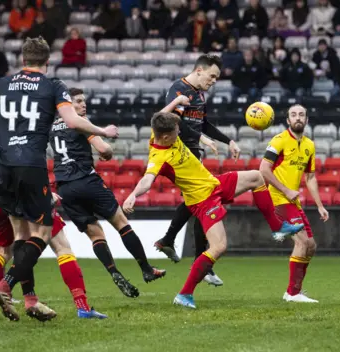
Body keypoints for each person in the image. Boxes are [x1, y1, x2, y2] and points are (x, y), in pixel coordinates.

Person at [0, 36, 118, 322]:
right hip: (31, 165)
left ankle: (28, 298)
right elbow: (72, 122)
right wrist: (103, 131)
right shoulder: (53, 85)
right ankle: (8, 285)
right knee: (45, 235)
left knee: (20, 236)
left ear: (22, 59)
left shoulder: (1, 85)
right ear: (47, 61)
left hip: (2, 169)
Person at [123, 112, 304, 309]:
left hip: (213, 183)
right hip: (202, 200)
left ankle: (278, 228)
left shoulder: (160, 131)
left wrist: (177, 104)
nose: (180, 133)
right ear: (165, 137)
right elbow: (147, 180)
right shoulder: (159, 157)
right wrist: (133, 195)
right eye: (177, 132)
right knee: (219, 247)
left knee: (257, 177)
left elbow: (161, 116)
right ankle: (184, 294)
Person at [0, 119, 107, 319]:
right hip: (27, 189)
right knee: (61, 246)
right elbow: (29, 159)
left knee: (4, 250)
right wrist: (44, 192)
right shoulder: (21, 120)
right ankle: (82, 307)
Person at [49, 88, 165, 299]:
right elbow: (103, 148)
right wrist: (107, 153)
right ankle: (146, 269)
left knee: (95, 234)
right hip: (86, 180)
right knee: (121, 223)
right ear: (67, 105)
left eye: (84, 101)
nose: (83, 105)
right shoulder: (80, 122)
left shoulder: (51, 128)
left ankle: (114, 272)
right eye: (78, 101)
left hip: (65, 187)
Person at [152, 54, 242, 287]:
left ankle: (173, 243)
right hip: (179, 154)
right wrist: (201, 137)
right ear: (199, 70)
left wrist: (228, 141)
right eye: (212, 76)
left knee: (200, 204)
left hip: (194, 154)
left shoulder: (200, 94)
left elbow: (204, 123)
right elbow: (173, 122)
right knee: (206, 201)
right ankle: (202, 263)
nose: (214, 81)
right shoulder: (179, 89)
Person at [259, 104, 329, 303]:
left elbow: (311, 177)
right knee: (302, 242)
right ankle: (292, 293)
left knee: (311, 246)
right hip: (276, 198)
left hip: (292, 201)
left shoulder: (309, 145)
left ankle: (294, 291)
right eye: (293, 115)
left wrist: (320, 205)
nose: (297, 117)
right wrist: (286, 190)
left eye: (301, 115)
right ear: (288, 120)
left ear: (306, 120)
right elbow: (263, 169)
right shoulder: (279, 140)